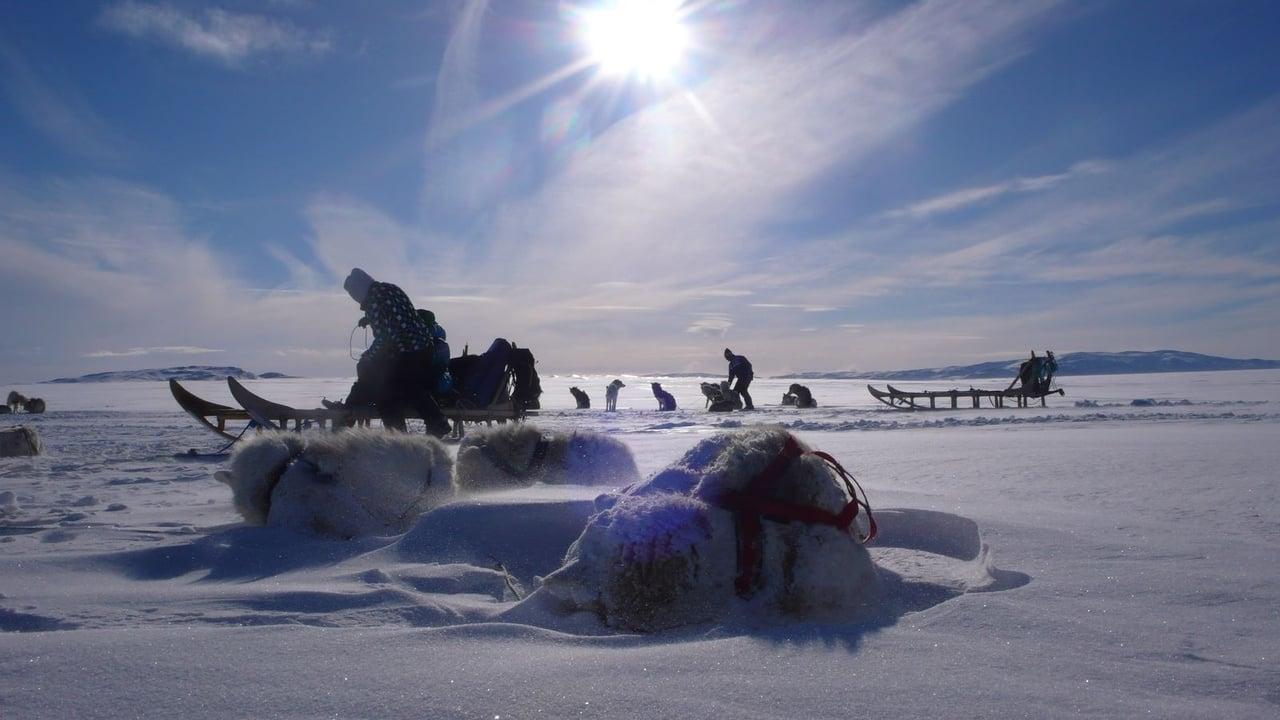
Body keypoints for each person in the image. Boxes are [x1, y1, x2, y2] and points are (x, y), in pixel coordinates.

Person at [333, 268, 451, 437]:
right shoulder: (389, 289)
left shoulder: (375, 301)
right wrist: (370, 319)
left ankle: (399, 434)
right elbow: (398, 314)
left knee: (388, 391)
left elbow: (385, 337)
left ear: (359, 291)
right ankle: (435, 422)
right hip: (424, 345)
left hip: (407, 349)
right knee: (408, 386)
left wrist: (369, 356)